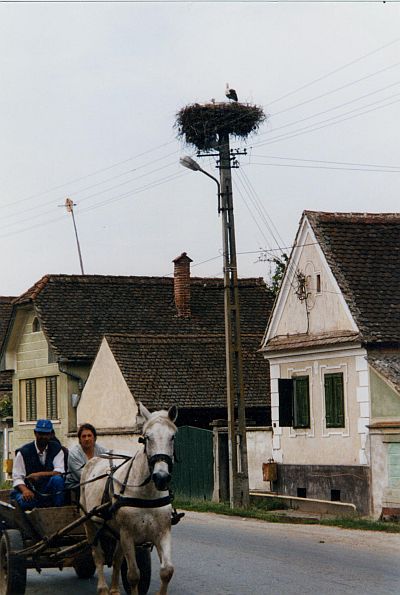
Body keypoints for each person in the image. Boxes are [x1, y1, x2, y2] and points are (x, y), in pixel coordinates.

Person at [11, 419, 65, 510]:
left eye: (46, 434)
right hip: (28, 491)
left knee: (57, 480)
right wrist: (25, 490)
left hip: (47, 491)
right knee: (26, 502)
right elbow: (17, 477)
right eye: (40, 433)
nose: (43, 437)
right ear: (35, 433)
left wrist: (39, 474)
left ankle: (57, 511)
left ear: (51, 434)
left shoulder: (57, 449)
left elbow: (59, 472)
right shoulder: (24, 452)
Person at [66, 423, 108, 493]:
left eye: (89, 435)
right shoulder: (73, 453)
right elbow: (82, 476)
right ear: (79, 439)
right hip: (77, 485)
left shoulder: (102, 451)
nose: (87, 439)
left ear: (94, 438)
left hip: (97, 482)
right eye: (83, 436)